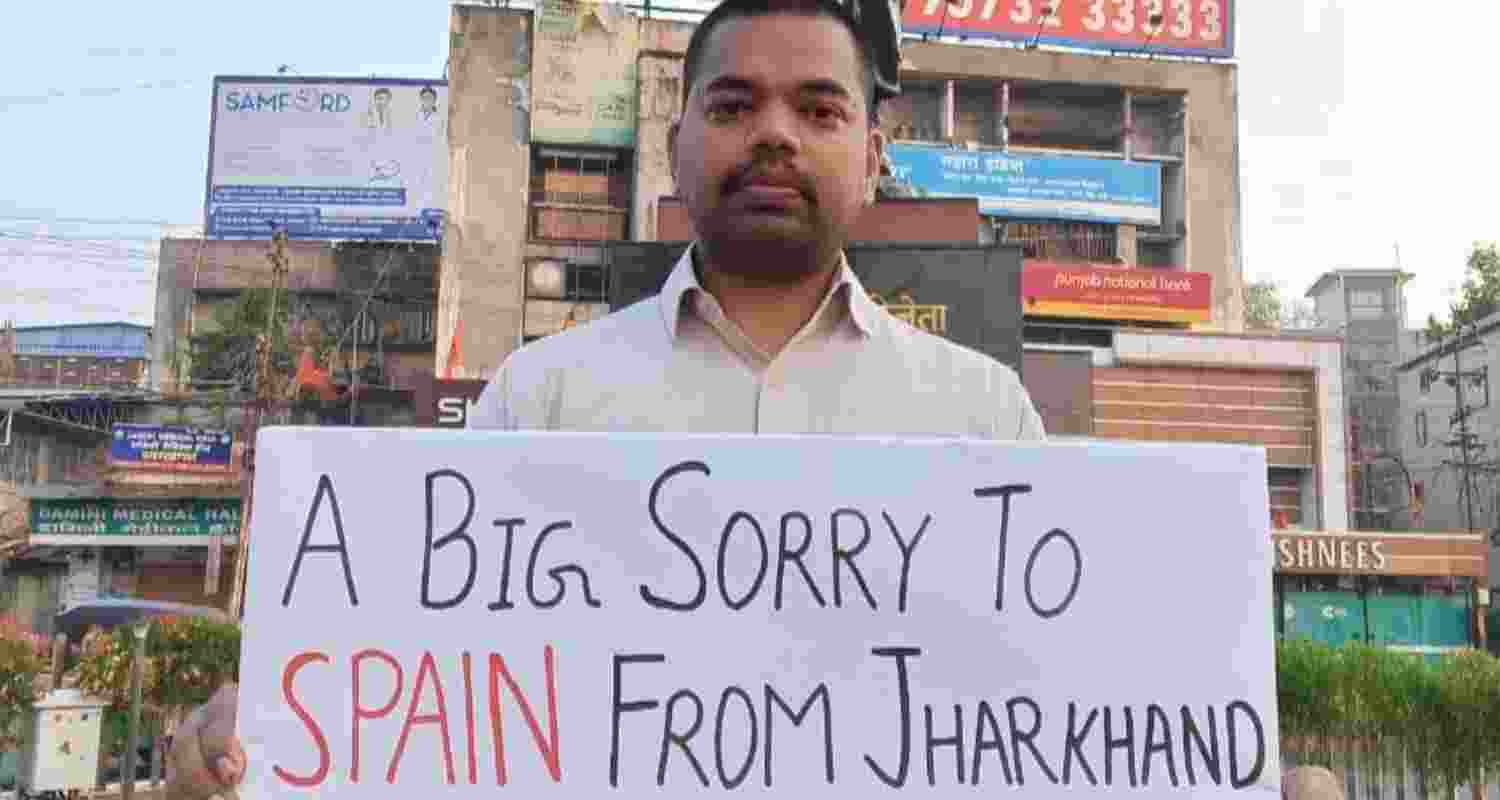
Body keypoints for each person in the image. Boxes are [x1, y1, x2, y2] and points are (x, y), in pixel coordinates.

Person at [165, 0, 1043, 795]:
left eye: (820, 109)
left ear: (874, 157)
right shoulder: (538, 401)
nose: (776, 135)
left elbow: (1036, 696)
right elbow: (421, 678)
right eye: (733, 106)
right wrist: (275, 727)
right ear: (674, 147)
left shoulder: (984, 416)